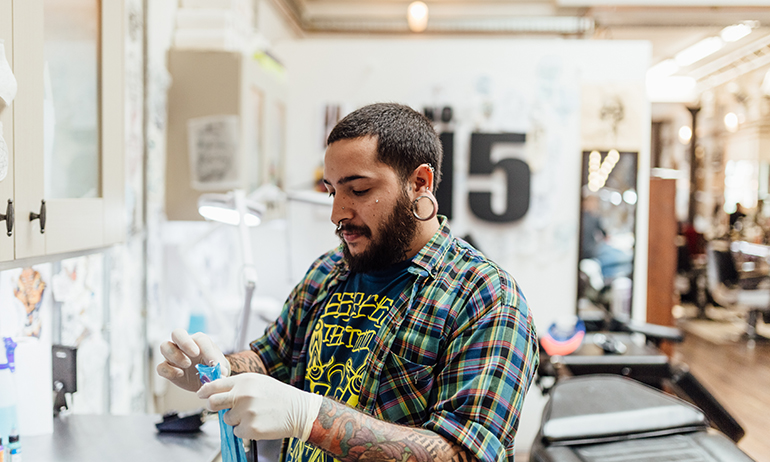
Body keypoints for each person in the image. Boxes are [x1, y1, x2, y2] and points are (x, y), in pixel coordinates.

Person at [157, 103, 539, 461]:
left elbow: (465, 454)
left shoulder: (486, 298)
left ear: (420, 183)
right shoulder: (329, 272)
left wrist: (310, 418)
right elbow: (270, 359)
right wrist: (218, 370)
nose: (338, 212)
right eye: (332, 191)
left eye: (358, 190)